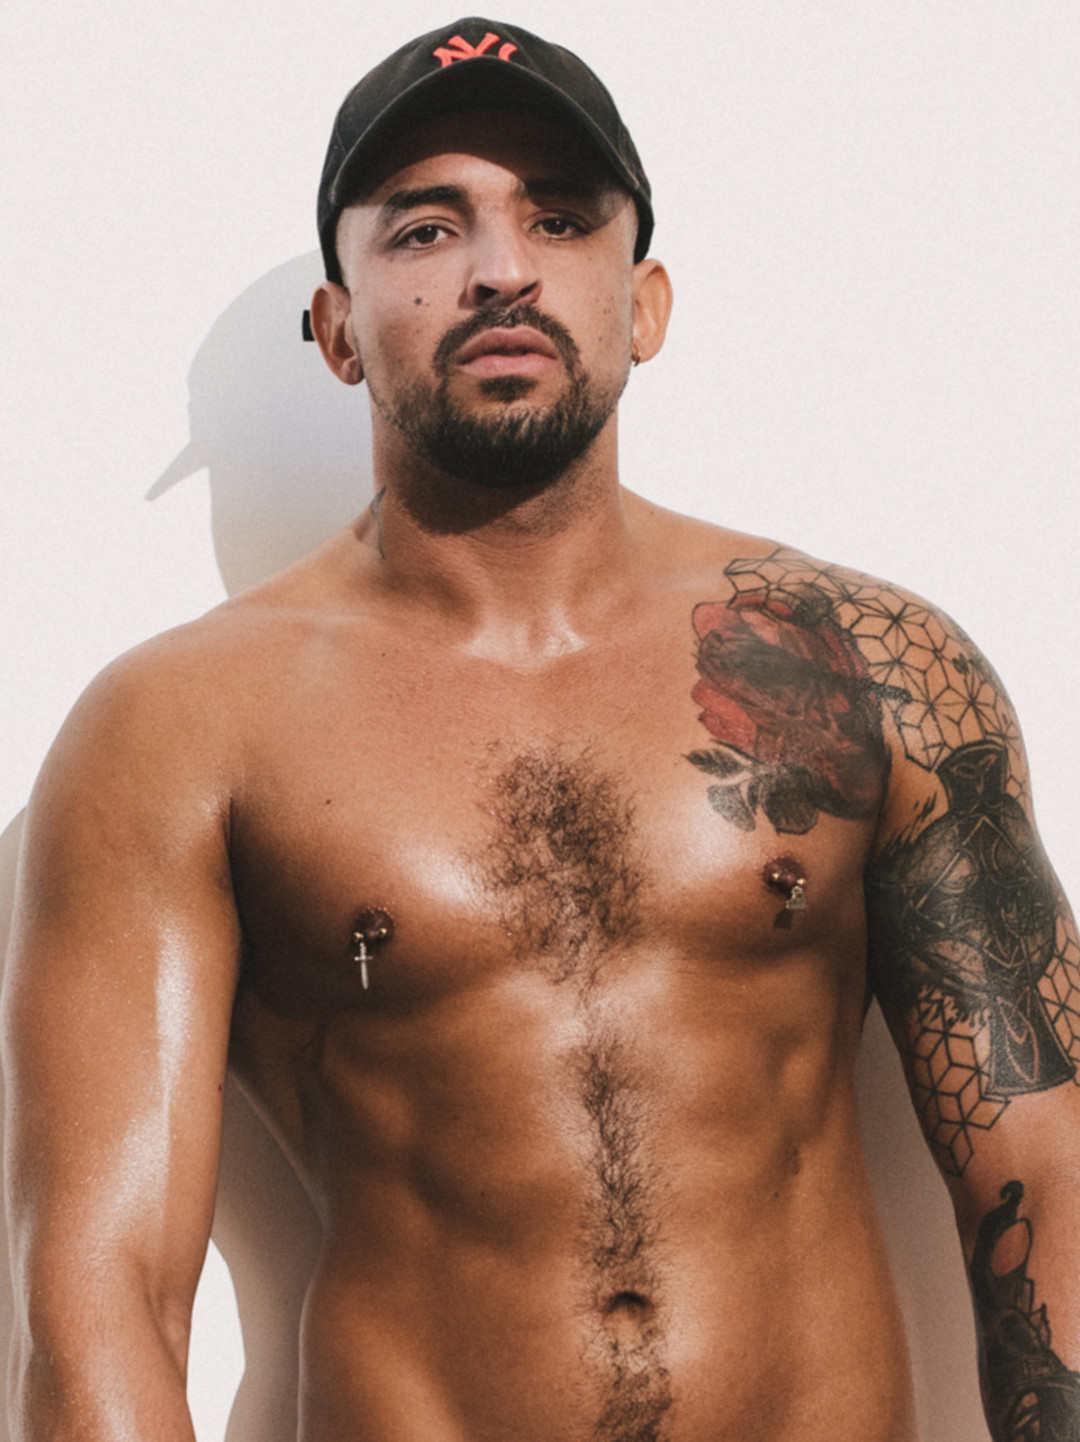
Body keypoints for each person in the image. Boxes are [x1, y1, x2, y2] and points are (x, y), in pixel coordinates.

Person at [4, 15, 1080, 1441]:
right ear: (337, 328)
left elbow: (1048, 1178)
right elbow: (103, 1309)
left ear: (644, 304)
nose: (501, 268)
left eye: (559, 219)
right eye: (425, 228)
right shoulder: (178, 731)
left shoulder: (869, 667)